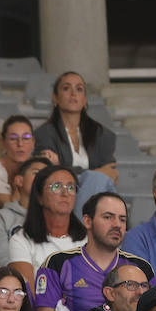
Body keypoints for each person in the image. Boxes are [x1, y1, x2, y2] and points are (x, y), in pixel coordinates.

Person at [35, 191, 152, 311]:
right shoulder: (58, 263)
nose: (117, 225)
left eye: (122, 219)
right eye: (108, 217)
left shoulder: (141, 268)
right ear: (88, 221)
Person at [32, 71, 119, 213]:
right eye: (66, 88)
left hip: (96, 197)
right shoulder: (43, 134)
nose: (73, 93)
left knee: (100, 183)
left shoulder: (103, 135)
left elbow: (112, 175)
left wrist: (63, 167)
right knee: (96, 179)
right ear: (55, 98)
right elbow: (51, 176)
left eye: (79, 89)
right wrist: (92, 175)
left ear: (85, 99)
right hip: (61, 195)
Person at [8, 164, 86, 286]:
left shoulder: (89, 239)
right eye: (56, 187)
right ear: (39, 197)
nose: (65, 193)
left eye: (71, 187)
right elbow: (28, 295)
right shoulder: (21, 241)